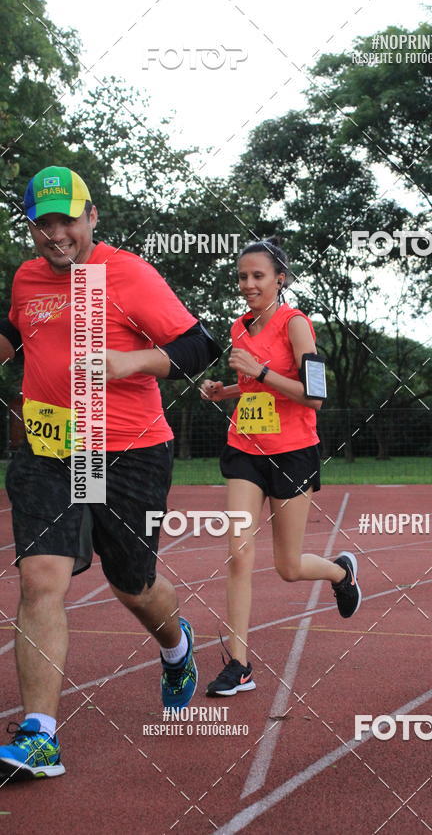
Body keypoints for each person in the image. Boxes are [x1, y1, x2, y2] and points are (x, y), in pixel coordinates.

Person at [0, 166, 220, 782]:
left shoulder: (130, 275)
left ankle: (176, 646)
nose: (56, 234)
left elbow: (198, 346)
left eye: (67, 219)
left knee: (133, 583)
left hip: (128, 450)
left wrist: (130, 361)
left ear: (92, 216)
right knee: (41, 578)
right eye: (43, 223)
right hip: (49, 449)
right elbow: (13, 332)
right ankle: (40, 735)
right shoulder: (26, 277)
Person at [200, 237, 361, 698]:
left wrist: (260, 370)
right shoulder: (239, 327)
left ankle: (339, 573)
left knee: (288, 566)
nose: (248, 284)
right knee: (238, 551)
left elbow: (314, 396)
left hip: (292, 452)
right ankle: (239, 664)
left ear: (279, 280)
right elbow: (252, 387)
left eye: (258, 276)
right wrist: (224, 391)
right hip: (245, 448)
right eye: (242, 277)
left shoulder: (296, 325)